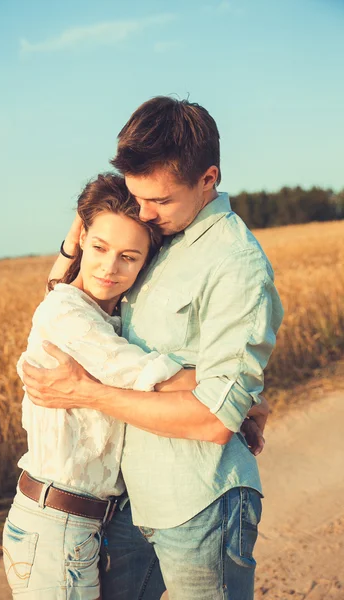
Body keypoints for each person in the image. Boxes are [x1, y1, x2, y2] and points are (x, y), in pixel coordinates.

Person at [22, 97, 284, 600]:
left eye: (158, 200)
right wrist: (71, 245)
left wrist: (85, 391)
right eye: (138, 198)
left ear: (208, 179)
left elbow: (212, 420)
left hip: (200, 502)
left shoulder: (236, 265)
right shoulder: (161, 235)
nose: (144, 212)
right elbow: (80, 313)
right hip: (133, 506)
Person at [2, 173, 201, 600]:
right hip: (55, 527)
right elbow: (150, 376)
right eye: (99, 248)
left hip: (86, 523)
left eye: (129, 257)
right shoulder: (67, 315)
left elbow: (60, 284)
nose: (110, 268)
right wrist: (242, 391)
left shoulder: (99, 314)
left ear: (147, 262)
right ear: (84, 238)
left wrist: (72, 248)